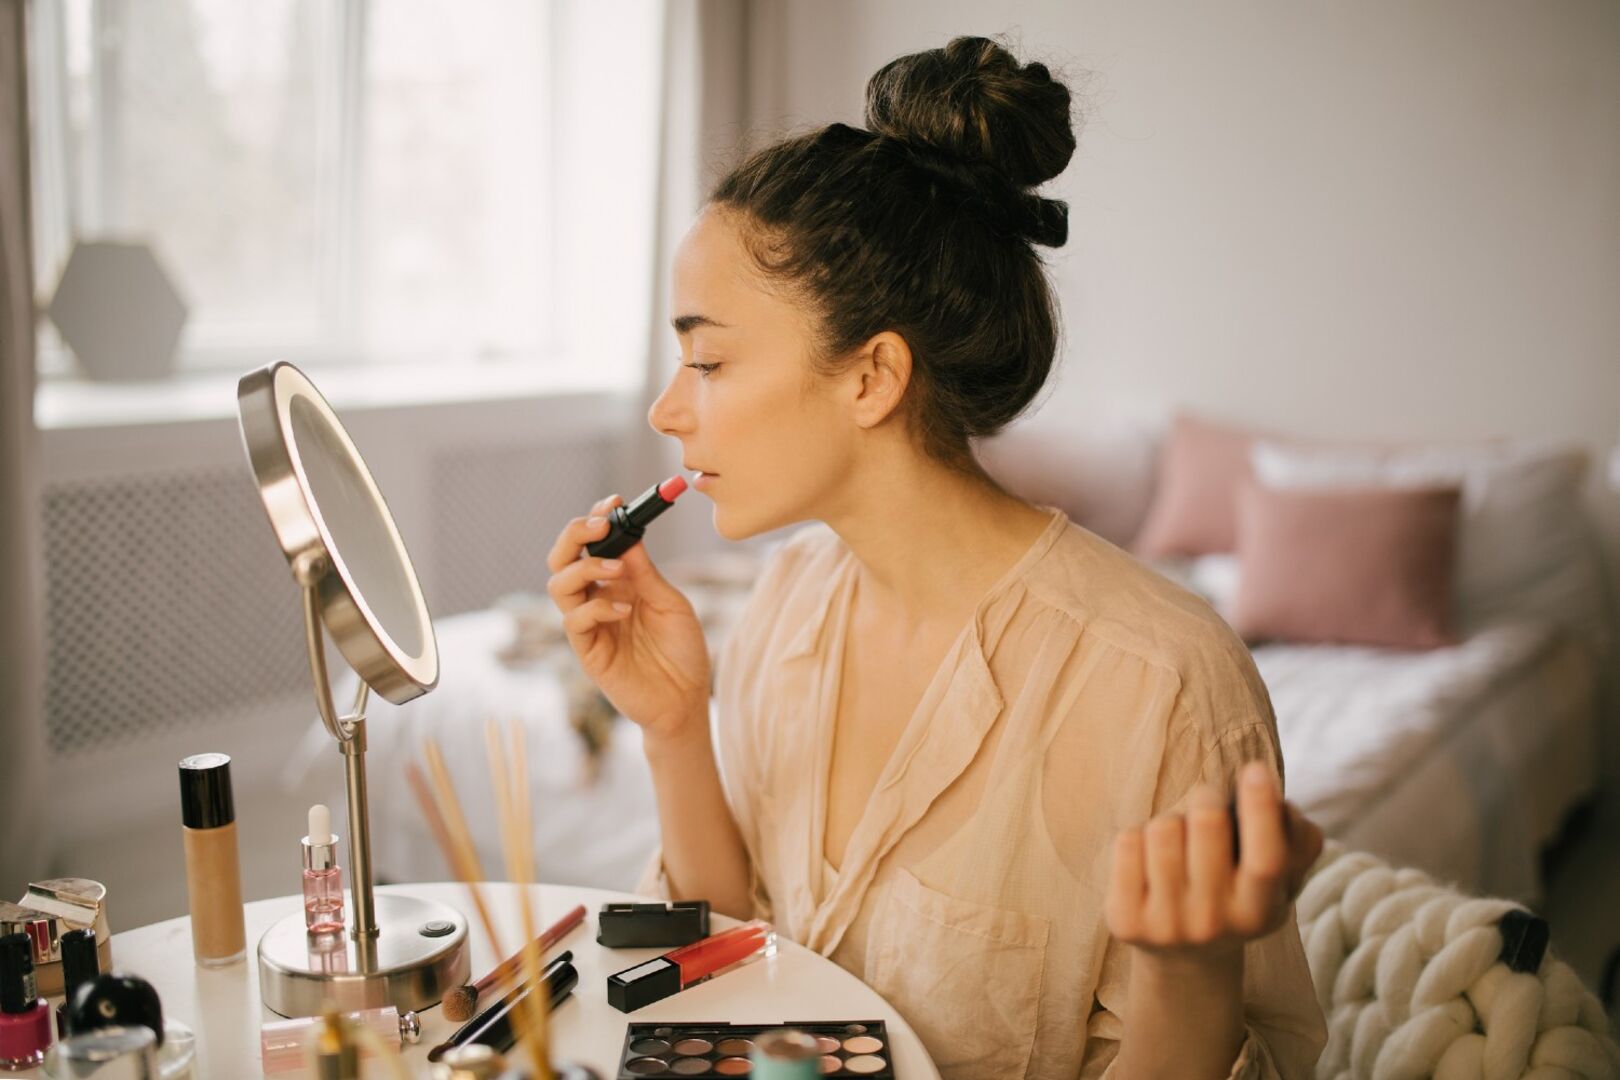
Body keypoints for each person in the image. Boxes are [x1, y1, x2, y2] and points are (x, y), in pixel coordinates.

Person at [546, 35, 1327, 1080]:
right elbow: (738, 960)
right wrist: (676, 728)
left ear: (871, 377)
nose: (667, 406)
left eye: (709, 360)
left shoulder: (1160, 685)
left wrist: (1188, 984)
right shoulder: (787, 604)